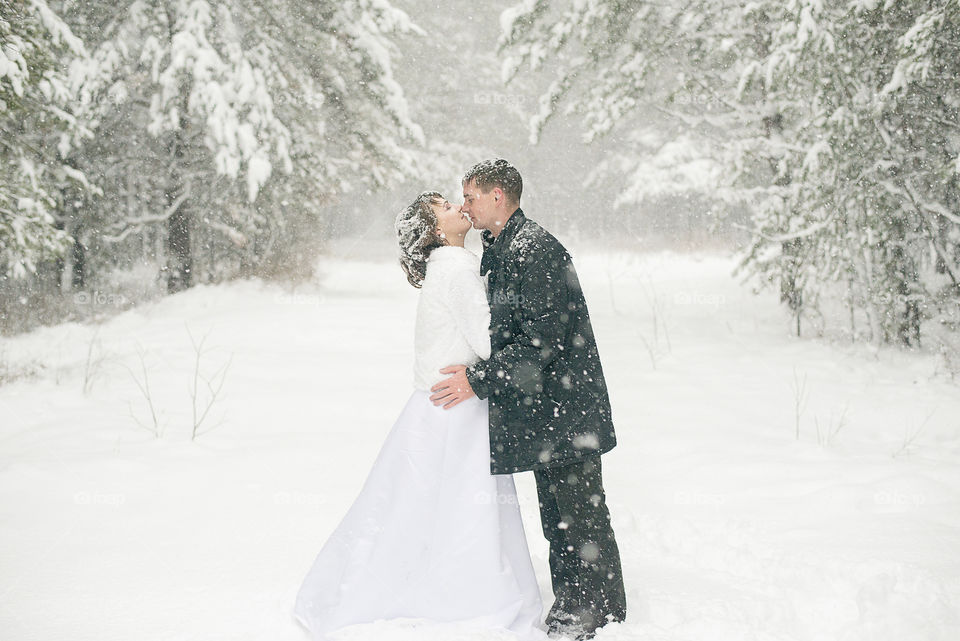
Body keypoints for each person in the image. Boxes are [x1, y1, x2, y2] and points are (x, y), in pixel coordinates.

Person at [293, 191, 545, 640]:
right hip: (457, 406)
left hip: (433, 405)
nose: (459, 208)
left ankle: (407, 578)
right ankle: (464, 592)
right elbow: (487, 342)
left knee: (417, 503)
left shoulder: (445, 268)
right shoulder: (457, 269)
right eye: (447, 208)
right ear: (435, 231)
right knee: (467, 505)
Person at [429, 160, 627, 640]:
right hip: (546, 409)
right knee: (557, 512)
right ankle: (589, 599)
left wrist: (478, 380)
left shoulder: (536, 250)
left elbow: (542, 342)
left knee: (579, 511)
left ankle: (589, 608)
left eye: (471, 197)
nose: (466, 206)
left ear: (498, 196)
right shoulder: (498, 247)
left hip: (567, 406)